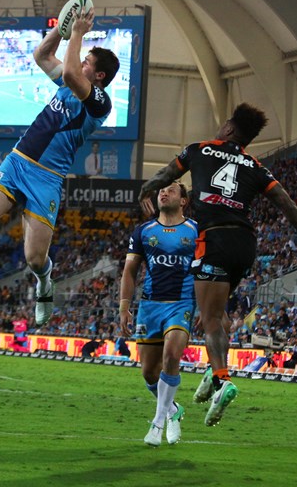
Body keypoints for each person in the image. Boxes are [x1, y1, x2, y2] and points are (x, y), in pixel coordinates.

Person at [0, 4, 120, 325]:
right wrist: (62, 27)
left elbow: (71, 71)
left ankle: (45, 280)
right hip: (18, 161)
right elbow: (42, 56)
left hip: (47, 178)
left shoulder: (100, 102)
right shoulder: (68, 85)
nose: (80, 62)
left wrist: (78, 35)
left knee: (34, 257)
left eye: (87, 62)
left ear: (98, 75)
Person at [139, 103, 297, 427]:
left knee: (208, 318)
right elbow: (286, 202)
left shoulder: (200, 149)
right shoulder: (255, 165)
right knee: (218, 312)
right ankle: (212, 372)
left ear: (228, 129)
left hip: (214, 240)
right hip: (245, 245)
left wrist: (146, 188)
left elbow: (166, 175)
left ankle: (223, 380)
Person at [120, 181, 197, 446]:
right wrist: (123, 305)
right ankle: (174, 410)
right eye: (161, 190)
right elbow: (130, 270)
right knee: (149, 373)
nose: (163, 192)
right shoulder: (143, 231)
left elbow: (207, 270)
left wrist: (213, 308)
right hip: (150, 306)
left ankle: (157, 423)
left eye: (171, 190)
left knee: (172, 355)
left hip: (181, 303)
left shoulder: (196, 231)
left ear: (183, 200)